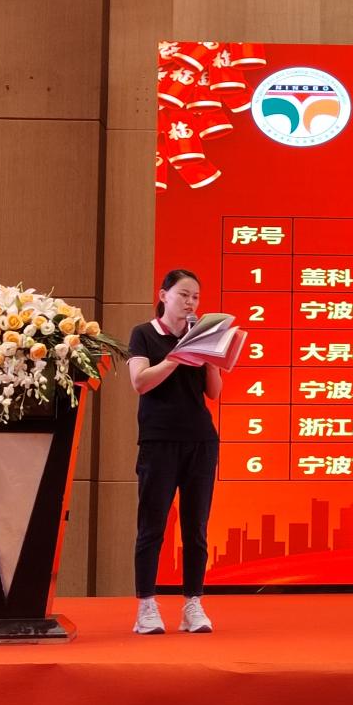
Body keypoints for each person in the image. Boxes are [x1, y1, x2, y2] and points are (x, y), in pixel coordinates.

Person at [127, 269, 223, 634]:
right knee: (152, 525)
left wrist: (211, 357)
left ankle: (193, 604)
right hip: (159, 440)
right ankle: (146, 606)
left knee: (196, 527)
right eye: (184, 294)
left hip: (200, 440)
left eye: (195, 297)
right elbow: (140, 382)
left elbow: (214, 392)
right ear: (164, 295)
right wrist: (177, 356)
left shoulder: (201, 335)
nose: (190, 302)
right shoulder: (144, 333)